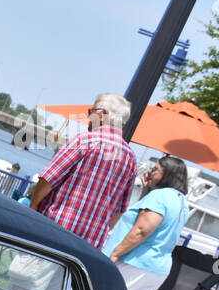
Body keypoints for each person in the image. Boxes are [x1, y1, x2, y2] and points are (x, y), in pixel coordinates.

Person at [26, 93, 137, 248]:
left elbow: (48, 178)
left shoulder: (84, 140)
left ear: (103, 114)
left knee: (22, 272)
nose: (88, 116)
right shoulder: (130, 158)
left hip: (53, 231)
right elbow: (120, 210)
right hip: (88, 246)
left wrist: (33, 209)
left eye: (91, 112)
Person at [102, 156, 190, 290]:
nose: (150, 171)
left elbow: (142, 229)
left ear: (168, 174)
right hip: (156, 268)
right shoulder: (181, 201)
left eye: (155, 169)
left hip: (134, 262)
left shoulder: (159, 196)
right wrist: (146, 189)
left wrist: (115, 254)